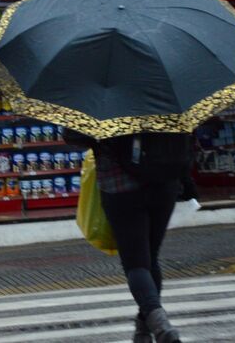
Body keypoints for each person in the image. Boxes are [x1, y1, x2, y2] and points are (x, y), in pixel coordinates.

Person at [65, 129, 195, 343]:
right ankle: (143, 330)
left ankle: (161, 328)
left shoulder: (103, 98)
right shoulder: (161, 96)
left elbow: (75, 136)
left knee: (136, 264)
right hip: (164, 183)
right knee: (150, 258)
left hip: (120, 186)